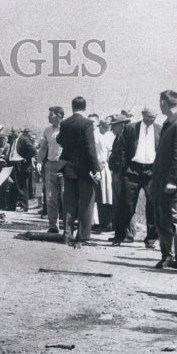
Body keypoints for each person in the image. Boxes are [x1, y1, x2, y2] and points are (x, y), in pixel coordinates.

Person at [150, 90, 177, 271]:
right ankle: (167, 255)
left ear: (162, 103)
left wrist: (173, 181)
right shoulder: (168, 123)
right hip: (162, 181)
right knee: (163, 220)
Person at [56, 96, 101, 246]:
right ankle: (83, 236)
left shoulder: (65, 123)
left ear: (72, 107)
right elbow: (90, 147)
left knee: (69, 202)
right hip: (85, 169)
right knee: (86, 202)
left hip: (69, 167)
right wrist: (96, 168)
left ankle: (67, 234)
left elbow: (60, 140)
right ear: (85, 107)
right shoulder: (87, 123)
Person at [113, 107, 161, 247]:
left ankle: (151, 239)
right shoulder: (131, 128)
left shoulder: (160, 129)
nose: (151, 119)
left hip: (151, 171)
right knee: (126, 204)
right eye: (149, 116)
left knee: (152, 205)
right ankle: (119, 236)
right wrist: (124, 167)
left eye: (154, 117)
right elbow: (121, 149)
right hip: (132, 170)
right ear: (143, 115)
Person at [37, 106, 65, 233]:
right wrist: (39, 161)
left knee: (65, 197)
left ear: (59, 116)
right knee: (50, 197)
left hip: (63, 166)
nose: (48, 117)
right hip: (50, 165)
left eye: (51, 115)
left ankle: (67, 226)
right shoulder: (47, 130)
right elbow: (43, 148)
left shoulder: (66, 129)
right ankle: (53, 226)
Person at [108, 113, 132, 242]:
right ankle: (122, 232)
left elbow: (124, 157)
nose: (112, 129)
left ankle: (127, 233)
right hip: (116, 173)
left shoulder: (125, 137)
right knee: (118, 203)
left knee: (124, 204)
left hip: (121, 174)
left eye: (114, 125)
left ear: (122, 125)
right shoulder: (118, 137)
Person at [94, 116, 116, 232]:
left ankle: (109, 223)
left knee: (108, 195)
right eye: (105, 127)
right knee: (101, 196)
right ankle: (104, 223)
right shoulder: (96, 135)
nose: (107, 129)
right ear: (101, 126)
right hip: (100, 167)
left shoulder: (108, 136)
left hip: (107, 168)